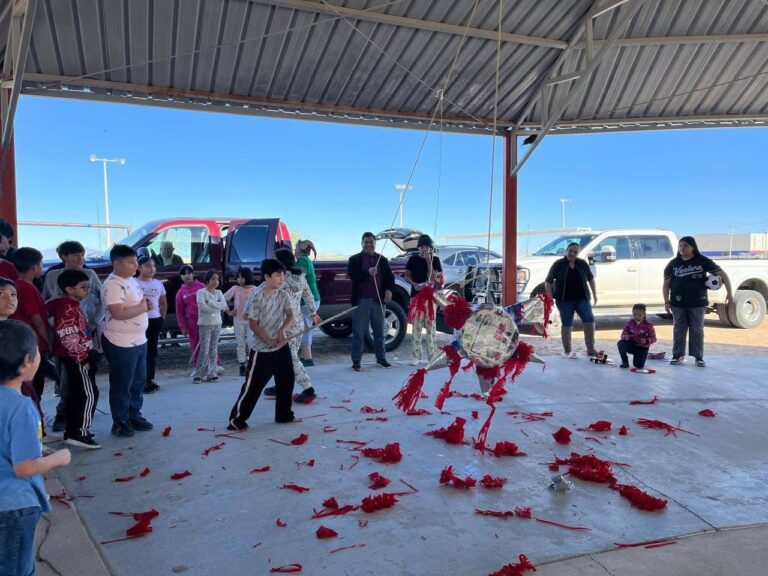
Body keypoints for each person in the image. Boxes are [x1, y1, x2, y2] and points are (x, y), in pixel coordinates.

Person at [0, 320, 71, 576]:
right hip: (14, 506)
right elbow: (24, 467)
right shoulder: (22, 407)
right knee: (18, 569)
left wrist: (34, 449)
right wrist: (59, 459)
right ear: (27, 360)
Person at [228, 259, 299, 430]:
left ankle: (284, 415)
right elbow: (253, 324)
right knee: (253, 386)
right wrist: (268, 339)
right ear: (266, 277)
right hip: (262, 350)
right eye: (277, 275)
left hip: (281, 346)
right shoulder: (257, 295)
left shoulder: (283, 294)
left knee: (287, 380)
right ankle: (236, 420)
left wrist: (282, 331)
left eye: (283, 275)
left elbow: (290, 316)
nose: (281, 279)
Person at [43, 240, 104, 433]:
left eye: (82, 254)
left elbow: (102, 302)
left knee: (84, 381)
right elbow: (44, 302)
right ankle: (67, 418)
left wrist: (92, 324)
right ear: (64, 256)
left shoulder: (90, 274)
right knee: (65, 377)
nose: (81, 258)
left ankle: (78, 420)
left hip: (84, 333)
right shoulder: (52, 276)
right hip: (61, 336)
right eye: (76, 255)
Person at [101, 244, 154, 438]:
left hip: (139, 339)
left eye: (135, 262)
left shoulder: (130, 280)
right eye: (131, 262)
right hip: (120, 341)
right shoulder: (113, 284)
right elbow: (118, 312)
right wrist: (144, 308)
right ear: (117, 263)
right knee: (122, 383)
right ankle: (120, 421)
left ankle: (134, 415)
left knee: (138, 381)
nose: (135, 266)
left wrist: (143, 307)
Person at [663, 236, 733, 367]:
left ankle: (698, 357)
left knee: (697, 329)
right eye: (680, 246)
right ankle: (677, 355)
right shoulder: (673, 264)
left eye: (685, 246)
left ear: (693, 247)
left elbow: (723, 274)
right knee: (679, 329)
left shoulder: (703, 261)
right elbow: (666, 283)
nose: (682, 248)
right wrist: (666, 301)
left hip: (698, 302)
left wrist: (729, 293)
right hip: (678, 303)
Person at [267, 248, 320, 404]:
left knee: (290, 358)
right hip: (297, 323)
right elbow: (309, 296)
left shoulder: (280, 280)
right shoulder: (299, 277)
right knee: (282, 357)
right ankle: (280, 385)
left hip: (283, 325)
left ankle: (308, 389)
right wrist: (312, 314)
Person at [0, 277, 46, 440]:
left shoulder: (18, 328)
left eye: (13, 294)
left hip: (23, 387)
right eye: (2, 294)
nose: (9, 299)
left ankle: (35, 446)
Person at [10, 248, 53, 400]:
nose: (42, 266)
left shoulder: (23, 285)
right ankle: (35, 417)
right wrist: (48, 341)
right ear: (34, 267)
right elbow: (36, 319)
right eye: (41, 263)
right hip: (33, 343)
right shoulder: (26, 288)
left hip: (29, 341)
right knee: (35, 385)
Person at [347, 232, 394, 371]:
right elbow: (354, 277)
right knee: (359, 332)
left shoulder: (382, 260)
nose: (369, 244)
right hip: (361, 301)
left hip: (378, 301)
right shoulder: (354, 259)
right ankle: (356, 360)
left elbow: (389, 278)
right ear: (361, 243)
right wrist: (367, 272)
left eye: (371, 242)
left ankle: (381, 358)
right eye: (366, 242)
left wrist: (388, 290)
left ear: (375, 243)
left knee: (380, 332)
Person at [544, 242, 598, 357]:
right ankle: (568, 350)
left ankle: (591, 349)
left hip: (582, 298)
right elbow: (548, 282)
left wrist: (594, 294)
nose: (572, 253)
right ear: (566, 251)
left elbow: (591, 279)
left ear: (578, 253)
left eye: (575, 252)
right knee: (567, 324)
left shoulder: (582, 263)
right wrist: (549, 298)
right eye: (570, 251)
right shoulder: (558, 264)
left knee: (589, 319)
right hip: (564, 301)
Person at [404, 234, 443, 366]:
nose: (424, 248)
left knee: (431, 326)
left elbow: (433, 278)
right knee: (416, 326)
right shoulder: (413, 259)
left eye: (427, 246)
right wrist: (413, 283)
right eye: (422, 246)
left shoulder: (435, 259)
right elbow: (407, 275)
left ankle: (432, 355)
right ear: (419, 247)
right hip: (416, 296)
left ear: (430, 247)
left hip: (430, 297)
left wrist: (428, 261)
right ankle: (416, 356)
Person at [135, 256, 167, 393]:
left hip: (154, 320)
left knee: (152, 350)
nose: (151, 269)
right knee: (139, 351)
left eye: (153, 266)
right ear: (139, 267)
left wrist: (161, 319)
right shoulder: (133, 282)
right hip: (138, 321)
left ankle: (150, 379)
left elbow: (163, 302)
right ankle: (139, 381)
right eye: (147, 266)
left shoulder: (158, 284)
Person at [195, 270, 227, 383]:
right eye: (213, 279)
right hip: (205, 324)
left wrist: (211, 303)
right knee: (204, 349)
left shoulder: (219, 293)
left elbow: (224, 306)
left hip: (217, 323)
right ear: (207, 280)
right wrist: (215, 307)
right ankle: (199, 373)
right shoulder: (201, 292)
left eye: (217, 279)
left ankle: (212, 372)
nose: (215, 281)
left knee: (214, 349)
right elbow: (202, 307)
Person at [224, 266, 256, 376]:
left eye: (242, 277)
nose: (240, 280)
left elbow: (260, 305)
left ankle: (252, 364)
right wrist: (228, 311)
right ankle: (242, 365)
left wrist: (252, 313)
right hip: (238, 320)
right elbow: (223, 298)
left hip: (252, 321)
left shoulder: (255, 289)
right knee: (240, 343)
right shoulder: (235, 289)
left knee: (252, 342)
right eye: (238, 277)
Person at [175, 265, 206, 376]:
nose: (187, 276)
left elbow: (210, 301)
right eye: (184, 274)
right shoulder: (180, 293)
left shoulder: (202, 287)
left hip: (206, 320)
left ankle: (214, 365)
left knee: (209, 342)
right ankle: (198, 366)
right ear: (181, 277)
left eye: (189, 273)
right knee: (195, 344)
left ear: (193, 274)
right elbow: (180, 312)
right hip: (192, 323)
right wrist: (182, 326)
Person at [294, 239, 320, 366]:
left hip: (308, 300)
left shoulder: (302, 261)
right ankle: (305, 356)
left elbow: (298, 278)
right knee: (306, 326)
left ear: (301, 248)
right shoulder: (305, 260)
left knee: (305, 327)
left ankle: (308, 357)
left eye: (296, 246)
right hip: (312, 298)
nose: (294, 248)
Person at [617, 304, 657, 370]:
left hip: (642, 348)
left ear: (644, 314)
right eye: (635, 314)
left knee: (639, 366)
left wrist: (647, 340)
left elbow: (654, 338)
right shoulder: (630, 323)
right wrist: (625, 337)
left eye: (639, 315)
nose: (637, 317)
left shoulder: (649, 325)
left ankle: (639, 357)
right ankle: (625, 361)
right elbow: (623, 335)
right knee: (621, 343)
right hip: (632, 345)